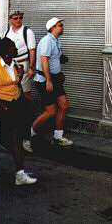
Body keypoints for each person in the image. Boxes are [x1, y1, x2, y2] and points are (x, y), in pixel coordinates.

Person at [0, 37, 37, 185]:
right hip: (1, 106)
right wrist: (3, 107)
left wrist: (20, 75)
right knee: (13, 137)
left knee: (16, 137)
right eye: (13, 47)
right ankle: (19, 173)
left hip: (15, 105)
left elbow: (15, 84)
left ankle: (20, 171)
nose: (16, 50)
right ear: (6, 51)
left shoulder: (15, 65)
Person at [31, 18, 73, 147]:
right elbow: (44, 60)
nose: (63, 27)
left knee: (64, 105)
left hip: (54, 79)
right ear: (53, 27)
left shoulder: (56, 41)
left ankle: (58, 137)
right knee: (51, 111)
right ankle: (29, 133)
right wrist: (49, 80)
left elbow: (54, 59)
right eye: (60, 25)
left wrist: (59, 73)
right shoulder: (47, 41)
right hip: (45, 80)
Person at [4, 9, 36, 101]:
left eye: (20, 18)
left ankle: (33, 112)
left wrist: (31, 68)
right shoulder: (7, 33)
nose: (18, 20)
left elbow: (32, 50)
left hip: (23, 64)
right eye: (16, 18)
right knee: (11, 90)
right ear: (10, 19)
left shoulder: (27, 32)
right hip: (10, 65)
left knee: (26, 91)